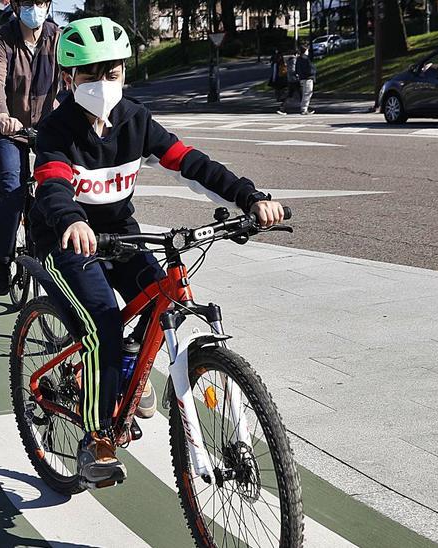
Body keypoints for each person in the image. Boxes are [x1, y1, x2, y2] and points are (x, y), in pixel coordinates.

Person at [30, 17, 286, 486]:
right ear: (69, 78)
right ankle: (96, 437)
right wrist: (72, 220)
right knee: (102, 322)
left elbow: (192, 163)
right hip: (63, 239)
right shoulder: (56, 130)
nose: (103, 83)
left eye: (112, 73)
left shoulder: (134, 120)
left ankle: (128, 371)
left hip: (121, 235)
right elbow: (51, 186)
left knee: (165, 297)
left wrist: (251, 198)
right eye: (90, 74)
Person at [0, 0, 61, 296]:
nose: (35, 8)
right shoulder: (3, 38)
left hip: (46, 128)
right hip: (9, 129)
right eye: (28, 3)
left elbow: (71, 79)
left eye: (40, 2)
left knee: (57, 185)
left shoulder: (58, 37)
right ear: (16, 6)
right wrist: (1, 114)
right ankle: (3, 260)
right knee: (13, 190)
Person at [294, 44, 317, 115]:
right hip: (308, 78)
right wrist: (313, 72)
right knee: (307, 93)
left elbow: (296, 69)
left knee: (304, 93)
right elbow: (310, 69)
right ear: (305, 51)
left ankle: (304, 108)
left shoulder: (299, 59)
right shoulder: (306, 59)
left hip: (301, 78)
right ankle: (304, 109)